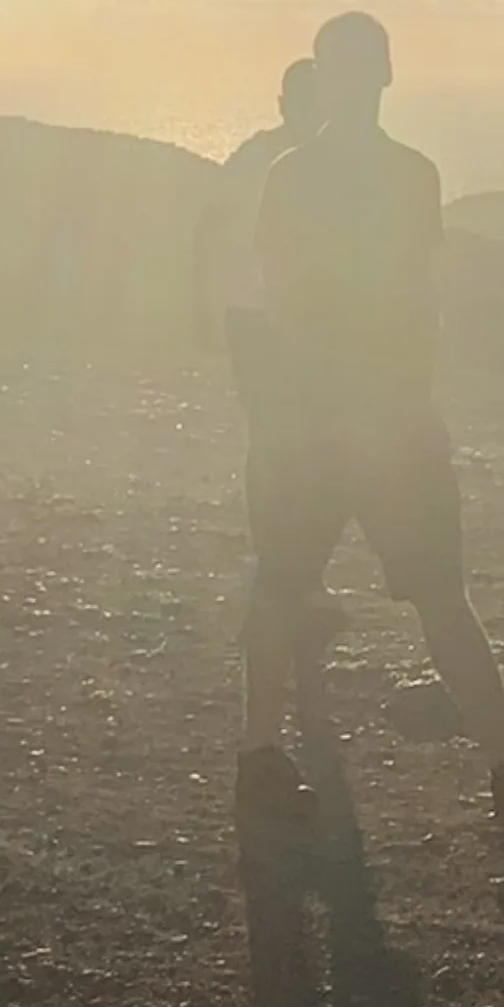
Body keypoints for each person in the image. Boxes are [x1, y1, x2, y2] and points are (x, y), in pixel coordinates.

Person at [243, 10, 504, 839]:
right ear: (386, 75)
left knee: (284, 584)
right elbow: (418, 293)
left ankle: (258, 760)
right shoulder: (413, 176)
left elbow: (280, 292)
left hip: (313, 420)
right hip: (390, 418)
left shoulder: (292, 177)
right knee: (437, 593)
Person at [205, 59, 352, 826]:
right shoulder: (306, 166)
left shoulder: (257, 157)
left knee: (280, 444)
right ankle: (287, 579)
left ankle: (291, 580)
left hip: (251, 323)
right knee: (296, 450)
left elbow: (212, 229)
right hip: (280, 327)